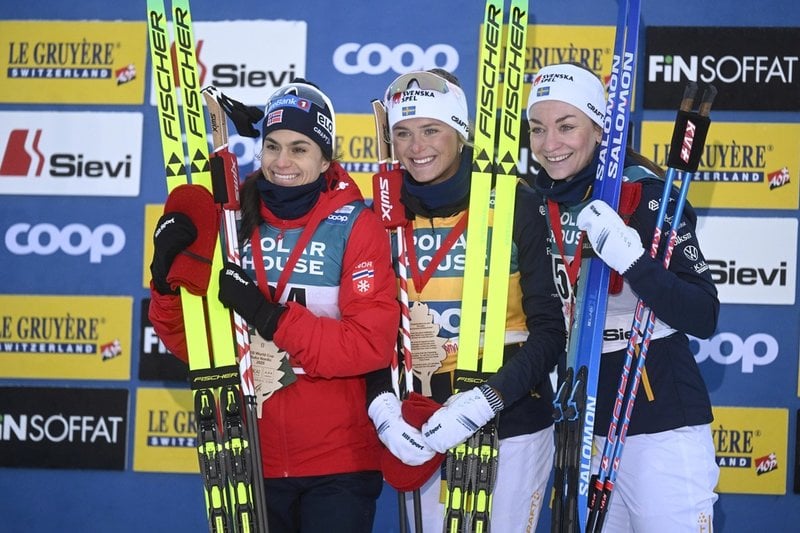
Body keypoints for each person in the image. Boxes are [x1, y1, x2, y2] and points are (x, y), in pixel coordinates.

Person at [148, 79, 400, 533]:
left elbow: (368, 346)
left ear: (326, 159)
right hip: (246, 456)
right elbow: (191, 341)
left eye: (300, 149)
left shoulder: (356, 226)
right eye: (273, 146)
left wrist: (267, 314)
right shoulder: (230, 222)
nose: (282, 162)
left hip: (337, 464)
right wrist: (166, 282)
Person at [365, 68, 567, 532]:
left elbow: (552, 332)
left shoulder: (515, 201)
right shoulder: (383, 211)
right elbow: (370, 327)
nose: (418, 148)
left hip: (512, 418)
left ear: (460, 131)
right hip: (422, 423)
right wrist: (382, 407)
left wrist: (485, 401)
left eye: (431, 130)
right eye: (404, 133)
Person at [525, 62, 720, 532]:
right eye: (538, 129)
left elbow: (703, 312)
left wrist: (634, 261)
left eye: (567, 127)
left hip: (659, 413)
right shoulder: (538, 202)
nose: (551, 144)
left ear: (598, 129)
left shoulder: (645, 193)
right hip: (581, 417)